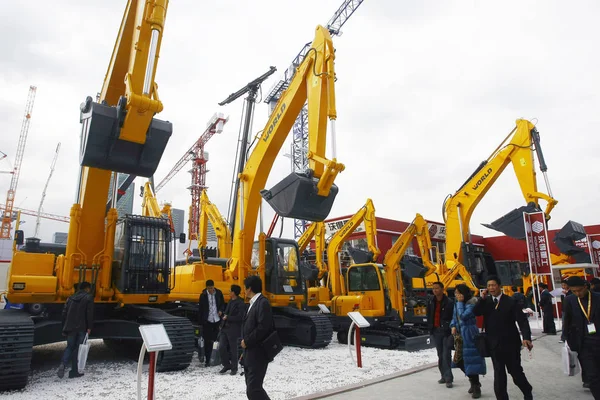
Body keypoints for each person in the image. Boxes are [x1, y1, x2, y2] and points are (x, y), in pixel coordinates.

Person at [474, 275, 533, 400]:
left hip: (511, 344)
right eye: (489, 285)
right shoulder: (486, 302)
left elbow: (522, 321)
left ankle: (527, 391)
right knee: (499, 374)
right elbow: (476, 312)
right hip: (494, 345)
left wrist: (526, 337)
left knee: (515, 372)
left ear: (499, 286)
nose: (491, 288)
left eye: (493, 285)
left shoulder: (510, 301)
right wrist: (481, 299)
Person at [563, 276, 600, 397]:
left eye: (579, 290)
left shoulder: (597, 298)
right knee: (592, 376)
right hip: (583, 345)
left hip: (598, 340)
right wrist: (568, 340)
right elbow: (566, 321)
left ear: (585, 287)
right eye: (574, 291)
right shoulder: (570, 300)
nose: (578, 293)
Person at [450, 284, 486, 398]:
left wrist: (460, 303)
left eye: (459, 293)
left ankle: (476, 386)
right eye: (455, 293)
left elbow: (463, 316)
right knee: (459, 360)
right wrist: (453, 326)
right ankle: (473, 381)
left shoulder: (472, 303)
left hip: (469, 334)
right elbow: (455, 317)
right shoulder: (457, 304)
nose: (457, 295)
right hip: (460, 336)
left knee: (472, 360)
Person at [241, 275, 274, 400]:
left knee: (254, 389)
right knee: (251, 389)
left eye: (244, 288)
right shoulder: (252, 303)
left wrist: (247, 341)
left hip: (258, 353)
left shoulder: (262, 303)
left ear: (249, 289)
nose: (244, 290)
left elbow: (263, 328)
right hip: (250, 352)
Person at [57, 281, 94, 379]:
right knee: (78, 349)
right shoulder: (88, 297)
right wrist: (89, 327)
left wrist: (64, 327)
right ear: (87, 288)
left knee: (69, 347)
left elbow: (64, 313)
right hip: (82, 327)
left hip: (70, 327)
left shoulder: (70, 298)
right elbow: (89, 314)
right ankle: (74, 371)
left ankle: (63, 365)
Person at [426, 281, 454, 388]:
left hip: (446, 331)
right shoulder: (431, 301)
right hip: (436, 330)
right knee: (440, 354)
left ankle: (448, 378)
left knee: (446, 354)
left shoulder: (449, 302)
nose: (435, 290)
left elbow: (452, 316)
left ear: (442, 289)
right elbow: (429, 315)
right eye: (433, 288)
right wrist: (430, 328)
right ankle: (443, 375)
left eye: (437, 288)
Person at [219, 284, 245, 375]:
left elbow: (240, 317)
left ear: (234, 292)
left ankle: (234, 368)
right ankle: (226, 365)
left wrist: (228, 317)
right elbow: (226, 313)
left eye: (230, 291)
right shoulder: (230, 301)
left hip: (233, 329)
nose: (229, 292)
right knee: (221, 346)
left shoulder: (241, 303)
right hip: (225, 328)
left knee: (233, 349)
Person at [199, 279, 225, 367]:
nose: (210, 290)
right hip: (208, 320)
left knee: (217, 340)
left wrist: (221, 311)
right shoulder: (203, 295)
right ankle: (207, 360)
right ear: (206, 288)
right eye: (208, 288)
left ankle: (218, 359)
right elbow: (201, 309)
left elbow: (222, 304)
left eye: (211, 288)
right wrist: (202, 321)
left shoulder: (218, 293)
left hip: (217, 320)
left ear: (214, 286)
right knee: (207, 341)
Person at [560, 279, 573, 343]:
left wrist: (567, 293)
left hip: (570, 310)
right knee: (564, 324)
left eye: (564, 285)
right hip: (564, 310)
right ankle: (563, 337)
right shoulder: (562, 293)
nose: (563, 286)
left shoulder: (571, 292)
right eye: (562, 285)